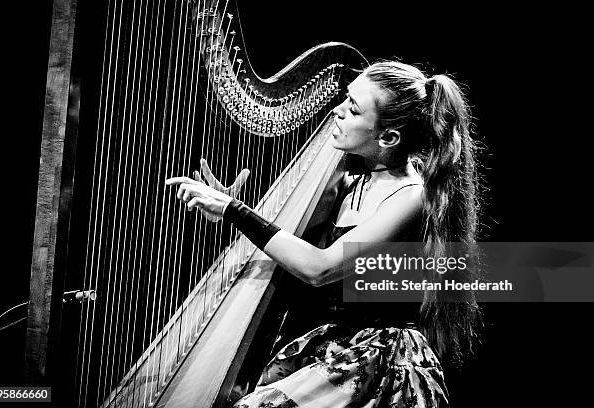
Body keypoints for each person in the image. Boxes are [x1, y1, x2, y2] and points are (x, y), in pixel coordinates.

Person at [166, 60, 483, 408]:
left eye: (353, 109)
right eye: (345, 99)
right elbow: (286, 246)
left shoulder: (410, 197)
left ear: (388, 137)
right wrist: (232, 209)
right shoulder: (349, 184)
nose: (337, 111)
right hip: (327, 348)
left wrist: (235, 211)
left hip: (374, 359)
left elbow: (320, 268)